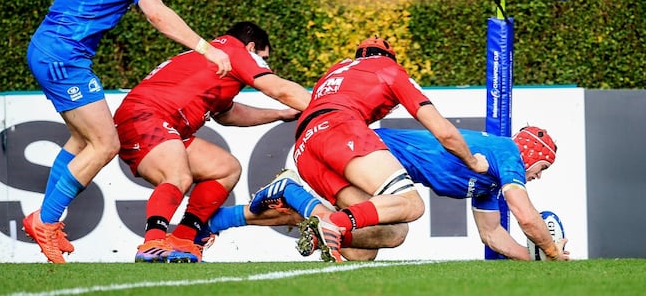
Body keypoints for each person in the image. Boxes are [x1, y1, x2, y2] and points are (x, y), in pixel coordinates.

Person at [24, 0, 232, 264]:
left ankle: (48, 220)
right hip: (63, 57)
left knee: (81, 139)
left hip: (49, 48)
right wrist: (205, 48)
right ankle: (45, 220)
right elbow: (156, 14)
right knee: (105, 144)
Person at [207, 126, 571, 262]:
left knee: (358, 250)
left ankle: (217, 220)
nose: (537, 177)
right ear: (532, 155)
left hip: (371, 160)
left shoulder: (490, 182)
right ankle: (290, 191)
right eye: (543, 169)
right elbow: (525, 215)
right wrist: (551, 251)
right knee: (398, 229)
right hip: (369, 156)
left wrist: (533, 258)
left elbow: (493, 235)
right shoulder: (509, 154)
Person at [275, 37, 488, 262]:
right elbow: (444, 132)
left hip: (303, 147)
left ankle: (315, 221)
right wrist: (473, 162)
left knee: (384, 239)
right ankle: (328, 219)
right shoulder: (390, 69)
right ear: (390, 58)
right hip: (340, 128)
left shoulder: (334, 71)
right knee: (412, 203)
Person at [114, 21, 311, 263]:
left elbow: (228, 114)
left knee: (225, 168)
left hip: (154, 120)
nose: (265, 64)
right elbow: (278, 88)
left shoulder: (213, 60)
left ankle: (183, 241)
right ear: (250, 47)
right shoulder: (236, 51)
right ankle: (152, 243)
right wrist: (326, 108)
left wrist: (279, 114)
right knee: (178, 176)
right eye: (264, 57)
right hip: (145, 117)